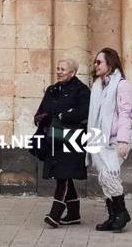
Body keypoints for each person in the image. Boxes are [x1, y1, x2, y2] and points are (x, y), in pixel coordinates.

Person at [33, 58, 90, 227]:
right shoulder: (52, 90)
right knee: (62, 174)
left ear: (72, 72)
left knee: (62, 176)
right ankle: (73, 214)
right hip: (53, 139)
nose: (58, 71)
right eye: (58, 68)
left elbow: (83, 112)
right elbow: (42, 109)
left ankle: (55, 215)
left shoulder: (81, 90)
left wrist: (63, 116)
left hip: (71, 140)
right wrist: (39, 118)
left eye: (62, 69)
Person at [86, 48, 132, 232]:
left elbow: (126, 115)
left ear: (110, 63)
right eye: (95, 62)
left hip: (115, 139)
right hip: (98, 140)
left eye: (99, 62)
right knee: (103, 178)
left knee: (110, 174)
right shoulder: (98, 86)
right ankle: (113, 215)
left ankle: (121, 213)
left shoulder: (122, 85)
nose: (96, 65)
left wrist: (123, 140)